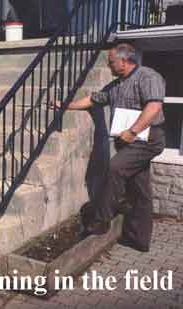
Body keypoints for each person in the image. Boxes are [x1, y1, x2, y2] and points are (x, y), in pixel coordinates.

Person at [58, 43, 165, 252]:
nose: (108, 66)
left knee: (114, 168)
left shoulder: (148, 76)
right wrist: (66, 106)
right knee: (140, 190)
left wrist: (133, 131)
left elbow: (154, 107)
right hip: (129, 141)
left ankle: (101, 219)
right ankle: (139, 239)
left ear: (125, 61)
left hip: (147, 138)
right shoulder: (117, 84)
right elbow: (94, 99)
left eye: (111, 62)